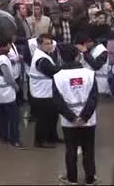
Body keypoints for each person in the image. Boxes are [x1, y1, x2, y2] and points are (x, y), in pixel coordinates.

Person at [53, 44, 99, 185]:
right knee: (88, 149)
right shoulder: (89, 74)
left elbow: (58, 101)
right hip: (88, 120)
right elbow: (94, 98)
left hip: (69, 122)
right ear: (77, 56)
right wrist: (84, 117)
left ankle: (72, 178)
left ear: (61, 57)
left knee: (71, 149)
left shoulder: (57, 77)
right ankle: (90, 178)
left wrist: (72, 118)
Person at [29, 33, 61, 147]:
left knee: (53, 116)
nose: (49, 45)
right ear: (40, 45)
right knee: (43, 119)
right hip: (41, 94)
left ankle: (52, 137)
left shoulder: (46, 55)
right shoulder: (40, 58)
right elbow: (53, 71)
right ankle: (40, 141)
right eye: (46, 43)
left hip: (48, 92)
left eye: (50, 43)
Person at [0, 36, 24, 149]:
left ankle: (3, 135)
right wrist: (16, 86)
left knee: (3, 115)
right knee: (14, 117)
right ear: (8, 45)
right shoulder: (2, 59)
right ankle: (15, 140)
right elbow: (8, 77)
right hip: (6, 92)